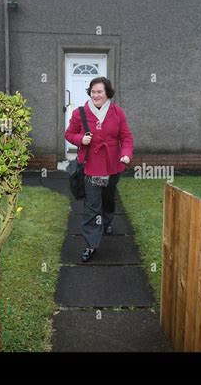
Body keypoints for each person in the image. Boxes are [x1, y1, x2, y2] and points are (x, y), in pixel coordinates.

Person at [65, 77, 133, 262]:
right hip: (90, 167)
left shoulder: (117, 112)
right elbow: (69, 134)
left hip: (113, 166)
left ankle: (107, 221)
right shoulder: (80, 113)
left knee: (108, 199)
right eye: (93, 91)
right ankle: (91, 244)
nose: (96, 95)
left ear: (107, 93)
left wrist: (126, 154)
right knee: (91, 207)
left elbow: (126, 137)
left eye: (99, 92)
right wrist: (80, 140)